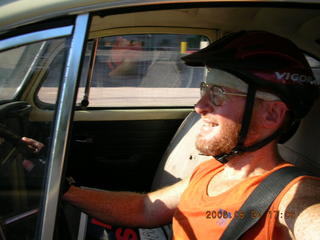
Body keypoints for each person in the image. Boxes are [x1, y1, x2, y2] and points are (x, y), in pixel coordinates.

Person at [63, 31, 320, 239]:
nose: (199, 107)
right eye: (205, 90)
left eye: (218, 94)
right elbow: (145, 208)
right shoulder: (211, 170)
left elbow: (309, 219)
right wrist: (65, 191)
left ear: (272, 115)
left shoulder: (292, 195)